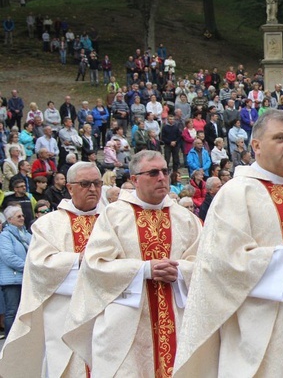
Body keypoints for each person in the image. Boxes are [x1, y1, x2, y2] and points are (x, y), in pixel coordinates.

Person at [173, 109, 283, 376]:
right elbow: (219, 264)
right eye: (280, 138)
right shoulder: (236, 192)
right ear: (255, 145)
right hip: (264, 325)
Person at [62, 151, 202, 376]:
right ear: (135, 179)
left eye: (165, 171)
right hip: (127, 324)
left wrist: (180, 270)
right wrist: (144, 269)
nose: (162, 178)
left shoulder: (186, 218)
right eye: (153, 172)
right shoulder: (114, 216)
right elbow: (94, 265)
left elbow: (205, 264)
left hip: (178, 319)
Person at [0, 162, 104, 377]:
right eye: (85, 184)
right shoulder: (48, 224)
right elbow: (39, 266)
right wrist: (78, 260)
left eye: (97, 183)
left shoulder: (114, 221)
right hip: (64, 312)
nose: (93, 189)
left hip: (107, 314)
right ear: (69, 187)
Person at [0, 205, 29, 338]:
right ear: (9, 219)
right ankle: (10, 341)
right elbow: (8, 257)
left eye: (22, 215)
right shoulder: (5, 236)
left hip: (26, 278)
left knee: (25, 311)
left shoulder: (26, 234)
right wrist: (27, 266)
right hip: (12, 279)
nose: (22, 218)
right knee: (12, 311)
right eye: (19, 216)